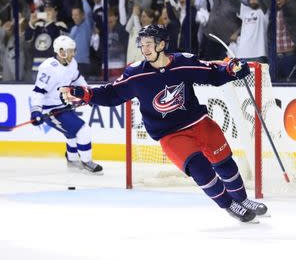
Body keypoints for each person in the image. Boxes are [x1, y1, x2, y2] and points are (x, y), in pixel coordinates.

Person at [59, 24, 267, 223]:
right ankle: (229, 205)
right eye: (142, 44)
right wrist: (85, 94)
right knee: (200, 169)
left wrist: (231, 71)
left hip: (198, 121)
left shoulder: (183, 62)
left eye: (149, 43)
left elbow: (211, 73)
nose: (144, 48)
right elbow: (112, 94)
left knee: (223, 159)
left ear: (161, 45)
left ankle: (242, 198)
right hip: (169, 134)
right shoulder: (136, 73)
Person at [30, 35, 103, 174]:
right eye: (70, 50)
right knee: (82, 130)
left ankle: (72, 159)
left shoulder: (72, 63)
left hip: (64, 106)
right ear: (61, 51)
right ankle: (87, 162)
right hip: (50, 111)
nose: (73, 53)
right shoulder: (47, 68)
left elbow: (77, 79)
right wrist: (36, 110)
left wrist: (90, 94)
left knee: (71, 132)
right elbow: (38, 91)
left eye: (73, 50)